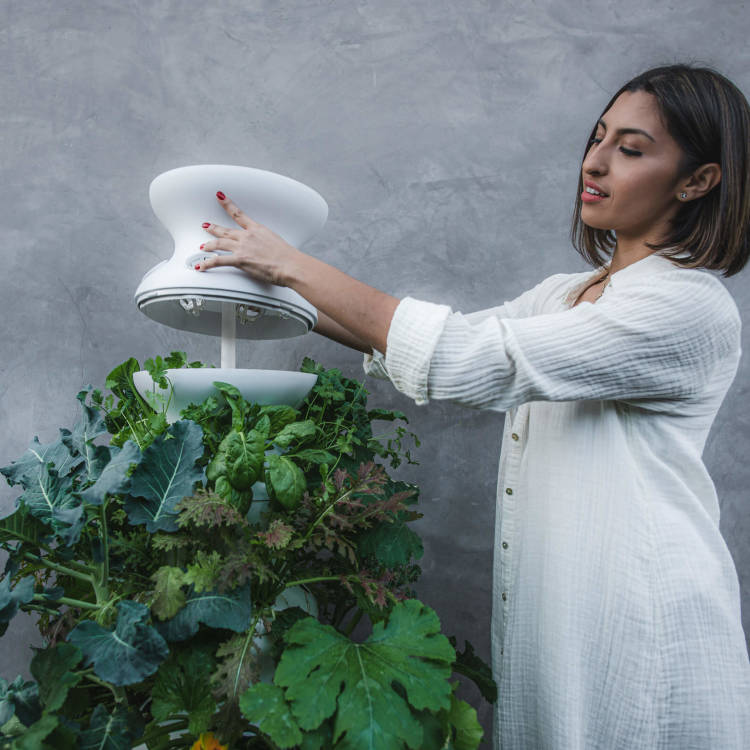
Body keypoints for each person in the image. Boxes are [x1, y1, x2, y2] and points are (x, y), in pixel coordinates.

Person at [196, 63, 750, 749]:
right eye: (598, 137)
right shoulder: (563, 295)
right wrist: (268, 286)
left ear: (698, 181)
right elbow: (428, 344)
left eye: (631, 150)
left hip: (642, 623)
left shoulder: (688, 307)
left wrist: (290, 265)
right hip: (568, 609)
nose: (596, 162)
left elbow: (470, 359)